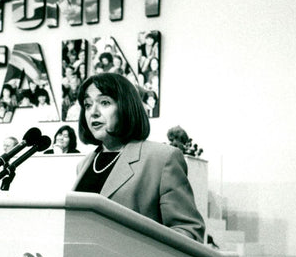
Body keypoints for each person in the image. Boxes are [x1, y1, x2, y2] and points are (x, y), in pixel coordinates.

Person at [72, 73, 205, 242]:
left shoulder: (163, 158)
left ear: (126, 107)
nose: (93, 113)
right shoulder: (84, 164)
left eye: (104, 102)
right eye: (88, 105)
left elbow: (189, 231)